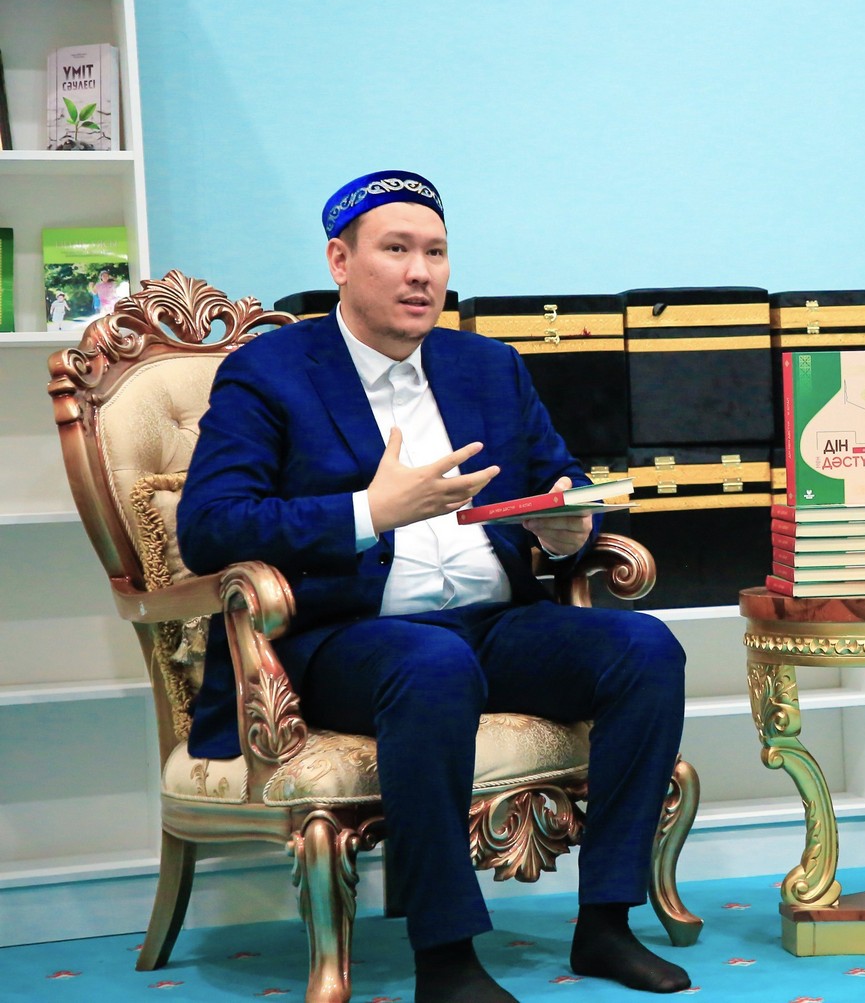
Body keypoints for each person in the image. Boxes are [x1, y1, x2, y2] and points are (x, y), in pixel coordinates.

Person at [177, 170, 691, 1001]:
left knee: (644, 647)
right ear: (340, 261)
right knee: (431, 664)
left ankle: (606, 922)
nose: (421, 273)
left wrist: (568, 523)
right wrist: (367, 512)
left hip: (493, 622)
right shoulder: (269, 371)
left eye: (436, 253)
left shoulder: (487, 366)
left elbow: (562, 479)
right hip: (347, 638)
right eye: (397, 250)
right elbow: (209, 525)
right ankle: (445, 958)